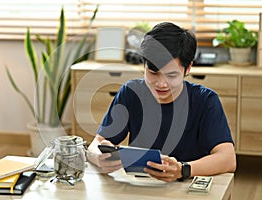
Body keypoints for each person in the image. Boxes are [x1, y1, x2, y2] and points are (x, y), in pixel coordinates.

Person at [87, 22, 236, 182]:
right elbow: (97, 143)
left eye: (171, 75)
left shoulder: (205, 100)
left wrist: (182, 169)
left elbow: (228, 158)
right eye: (153, 73)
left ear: (188, 69)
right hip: (141, 186)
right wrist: (99, 158)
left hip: (187, 185)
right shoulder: (131, 93)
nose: (161, 84)